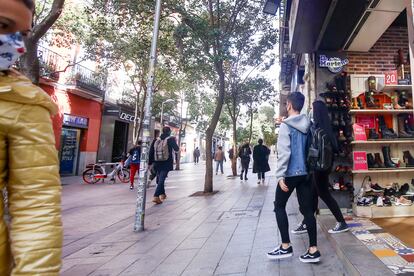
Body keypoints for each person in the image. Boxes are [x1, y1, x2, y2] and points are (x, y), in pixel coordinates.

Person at [0, 1, 62, 274]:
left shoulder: (24, 102)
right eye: (3, 26)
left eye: (22, 34)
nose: (17, 45)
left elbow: (36, 205)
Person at [267, 92, 321, 263]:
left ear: (289, 105)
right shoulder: (308, 124)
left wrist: (280, 175)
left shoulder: (286, 125)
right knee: (307, 211)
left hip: (290, 174)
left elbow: (285, 152)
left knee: (279, 206)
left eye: (286, 104)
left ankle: (285, 246)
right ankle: (313, 250)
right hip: (306, 173)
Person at [292, 100, 349, 235]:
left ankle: (341, 222)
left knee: (323, 194)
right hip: (325, 166)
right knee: (313, 194)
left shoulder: (316, 129)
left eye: (311, 108)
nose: (310, 111)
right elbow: (335, 148)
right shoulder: (327, 128)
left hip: (318, 167)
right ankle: (307, 222)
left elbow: (312, 150)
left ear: (315, 111)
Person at [149, 127, 179, 204]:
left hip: (157, 162)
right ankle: (156, 196)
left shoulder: (156, 140)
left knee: (159, 178)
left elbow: (151, 151)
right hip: (166, 162)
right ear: (169, 132)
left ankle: (163, 194)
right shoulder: (170, 139)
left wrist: (150, 163)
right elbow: (176, 149)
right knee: (161, 179)